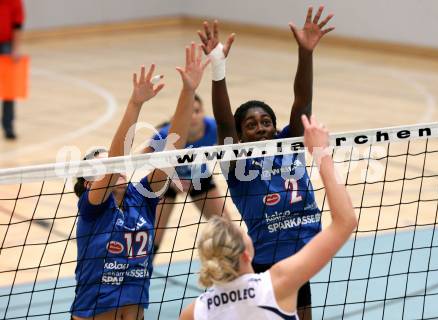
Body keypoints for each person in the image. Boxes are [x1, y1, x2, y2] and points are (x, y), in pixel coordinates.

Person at [197, 6, 334, 319]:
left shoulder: (290, 143)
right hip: (263, 261)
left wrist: (306, 53)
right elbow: (223, 123)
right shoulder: (237, 163)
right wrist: (218, 67)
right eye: (251, 125)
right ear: (242, 136)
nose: (261, 128)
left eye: (266, 122)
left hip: (302, 254)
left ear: (276, 126)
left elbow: (303, 101)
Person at [70, 44, 210, 320]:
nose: (109, 164)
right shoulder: (93, 207)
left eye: (107, 160)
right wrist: (135, 104)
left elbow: (173, 147)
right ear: (88, 183)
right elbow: (117, 160)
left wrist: (188, 90)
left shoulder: (142, 198)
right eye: (100, 163)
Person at [180, 115, 357, 320]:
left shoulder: (195, 312)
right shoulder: (278, 283)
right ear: (247, 254)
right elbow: (345, 221)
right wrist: (321, 153)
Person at [146, 94, 230, 257]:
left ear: (203, 112)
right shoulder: (164, 135)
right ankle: (141, 274)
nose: (193, 116)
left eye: (197, 111)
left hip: (200, 178)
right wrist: (170, 181)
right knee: (153, 237)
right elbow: (143, 163)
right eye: (188, 112)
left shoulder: (213, 128)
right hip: (166, 182)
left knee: (226, 227)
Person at [0, 0, 24, 139]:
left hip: (6, 44)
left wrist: (15, 49)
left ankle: (8, 125)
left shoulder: (14, 1)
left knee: (8, 88)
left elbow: (18, 24)